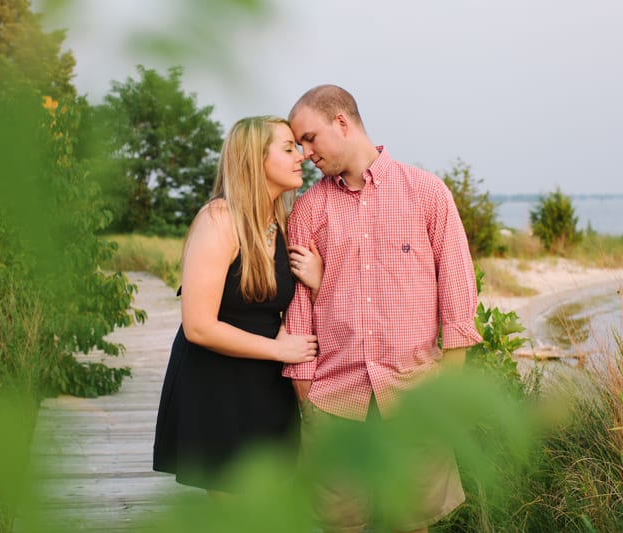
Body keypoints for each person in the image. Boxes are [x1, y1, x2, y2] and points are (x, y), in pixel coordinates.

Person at [283, 85, 483, 532]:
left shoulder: (427, 193)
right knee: (341, 526)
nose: (306, 152)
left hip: (414, 397)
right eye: (299, 144)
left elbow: (457, 299)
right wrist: (307, 397)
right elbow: (298, 311)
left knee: (409, 524)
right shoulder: (309, 209)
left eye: (310, 138)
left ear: (342, 122)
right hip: (334, 400)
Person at [153, 115, 322, 495]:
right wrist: (280, 349)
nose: (301, 157)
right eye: (288, 148)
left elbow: (276, 309)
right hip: (218, 381)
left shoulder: (280, 222)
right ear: (254, 159)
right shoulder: (219, 220)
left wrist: (318, 281)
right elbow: (198, 326)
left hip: (265, 381)